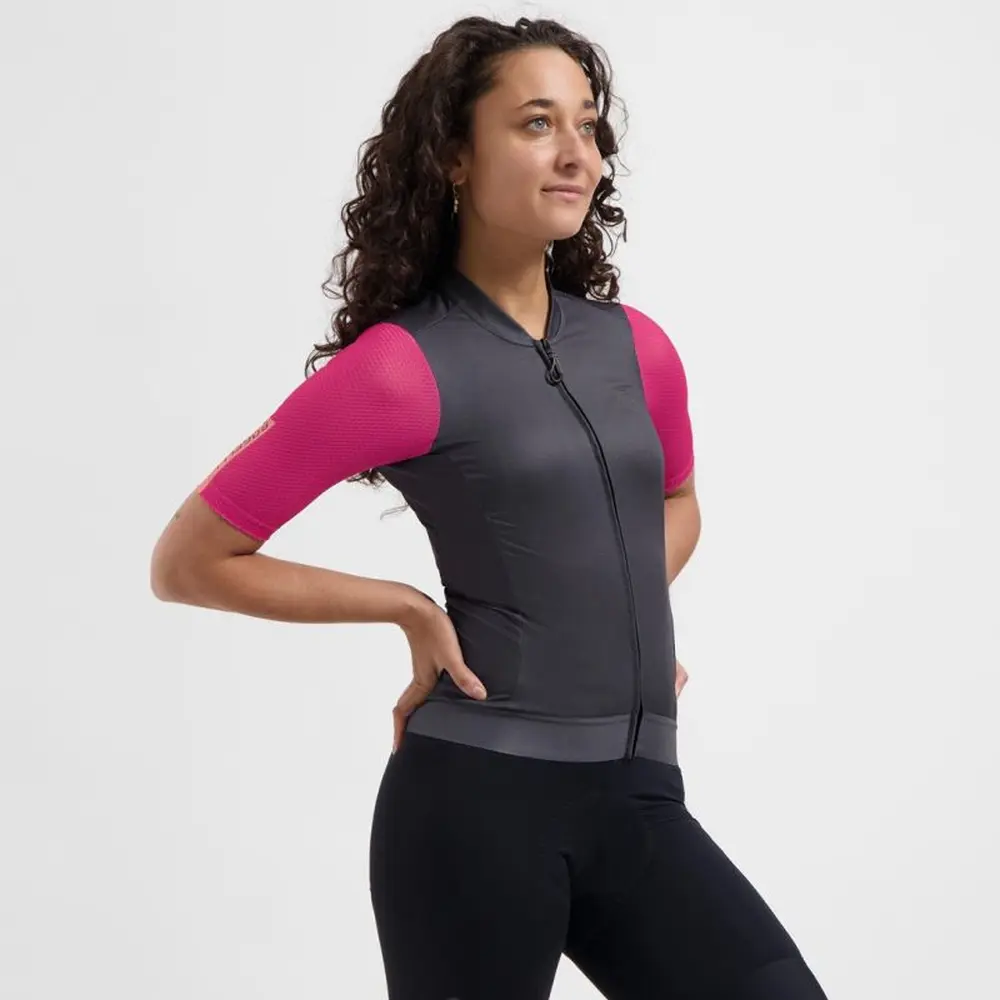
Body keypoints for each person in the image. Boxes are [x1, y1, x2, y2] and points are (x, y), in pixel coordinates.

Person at [151, 15, 830, 1000]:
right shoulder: (398, 369)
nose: (576, 153)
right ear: (455, 158)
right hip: (477, 804)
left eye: (588, 126)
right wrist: (406, 609)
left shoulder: (637, 348)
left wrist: (616, 610)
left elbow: (678, 503)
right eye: (536, 123)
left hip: (639, 798)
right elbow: (189, 559)